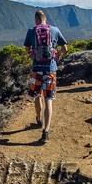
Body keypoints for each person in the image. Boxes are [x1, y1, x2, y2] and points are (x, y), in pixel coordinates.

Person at [24, 10, 69, 143]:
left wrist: (33, 55)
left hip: (37, 69)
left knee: (37, 95)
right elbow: (65, 48)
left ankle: (38, 118)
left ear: (36, 20)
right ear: (45, 19)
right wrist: (58, 55)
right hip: (51, 69)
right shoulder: (55, 30)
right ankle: (46, 131)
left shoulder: (31, 31)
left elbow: (27, 49)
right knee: (48, 98)